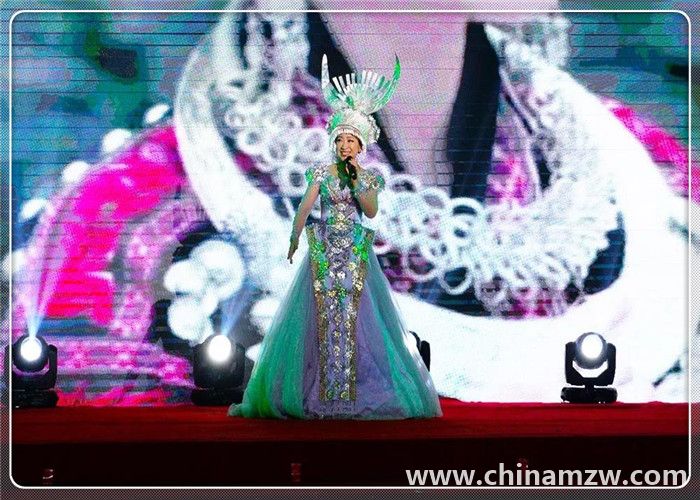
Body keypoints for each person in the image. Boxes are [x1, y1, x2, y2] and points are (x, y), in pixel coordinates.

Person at [227, 54, 442, 419]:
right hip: (324, 248)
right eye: (341, 139)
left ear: (360, 146)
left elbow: (370, 211)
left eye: (351, 141)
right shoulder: (323, 174)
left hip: (355, 250)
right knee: (318, 319)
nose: (345, 146)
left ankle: (351, 388)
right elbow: (305, 207)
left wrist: (358, 182)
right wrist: (294, 238)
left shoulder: (366, 176)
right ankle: (319, 389)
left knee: (359, 320)